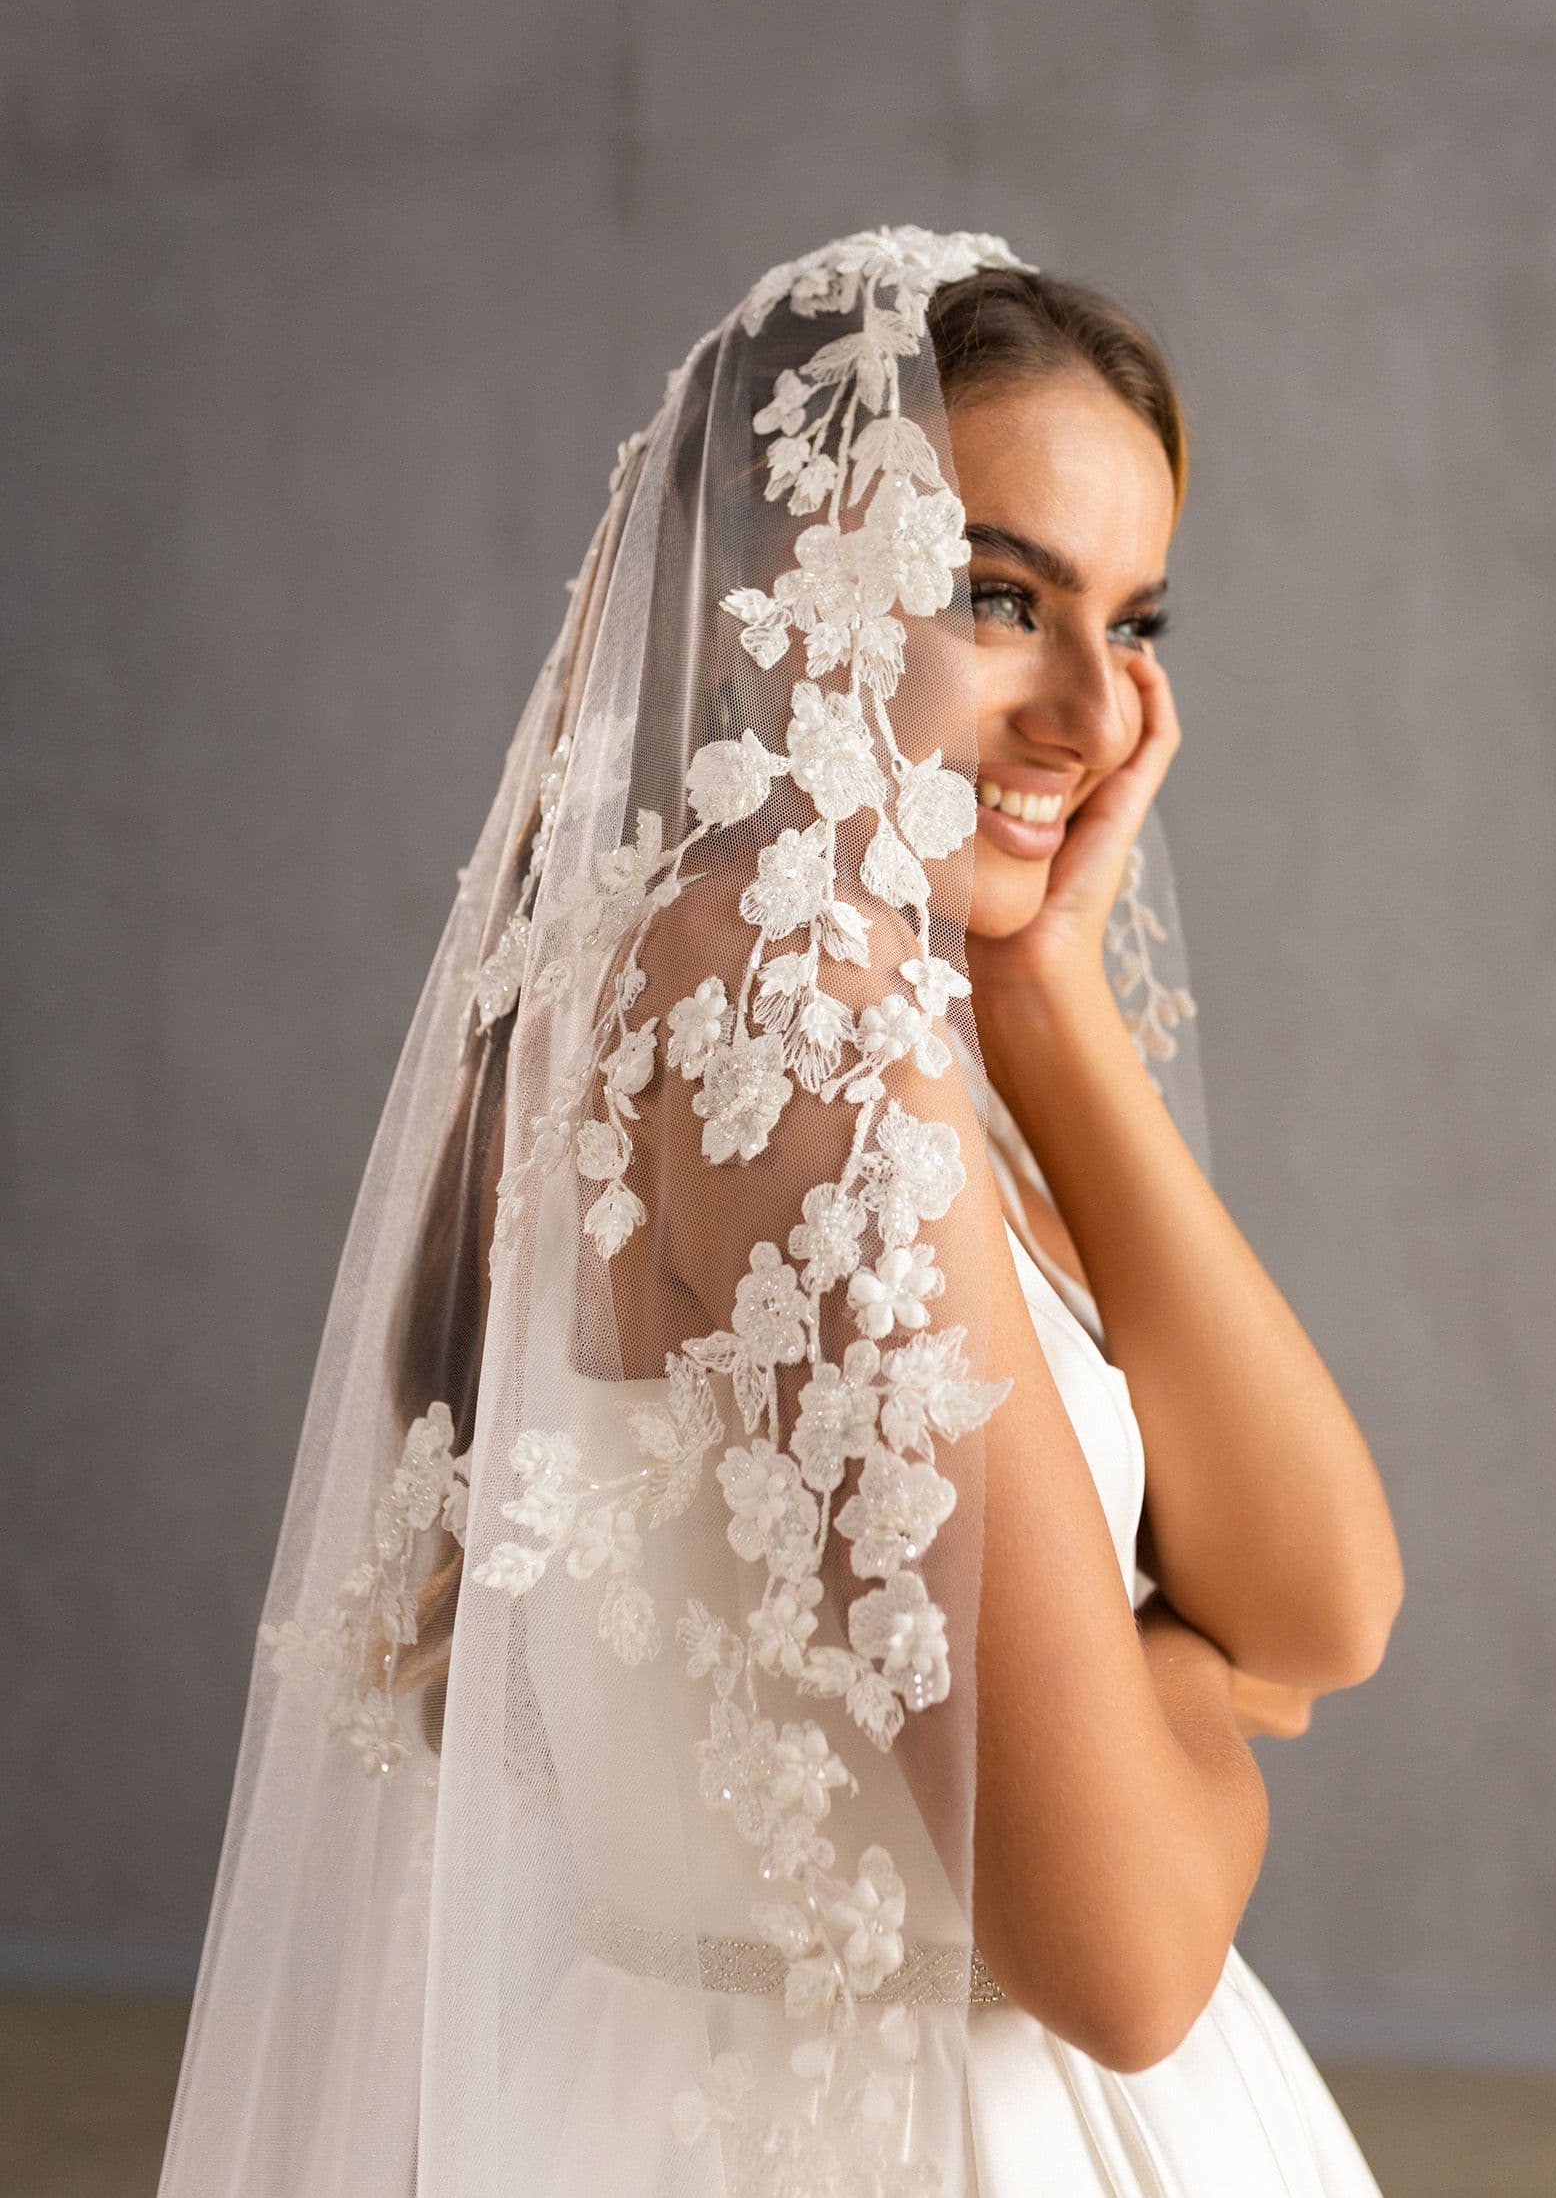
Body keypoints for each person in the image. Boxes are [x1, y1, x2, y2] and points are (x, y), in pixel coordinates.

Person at [157, 225, 1404, 2197]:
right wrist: (1195, 1693)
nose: (1093, 714)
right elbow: (1133, 1956)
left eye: (1137, 623)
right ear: (773, 594)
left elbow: (1327, 1595)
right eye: (1003, 599)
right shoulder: (784, 1023)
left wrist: (1046, 994)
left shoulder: (885, 1012)